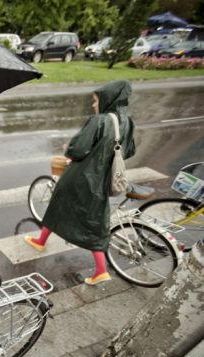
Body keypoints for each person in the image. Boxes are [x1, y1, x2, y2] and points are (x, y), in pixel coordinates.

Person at [24, 80, 136, 285]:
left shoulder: (99, 120)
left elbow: (77, 150)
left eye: (96, 101)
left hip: (80, 177)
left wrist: (71, 147)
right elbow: (128, 151)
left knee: (74, 213)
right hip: (101, 180)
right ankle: (40, 240)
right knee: (88, 217)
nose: (94, 105)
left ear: (107, 100)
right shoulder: (127, 122)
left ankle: (101, 270)